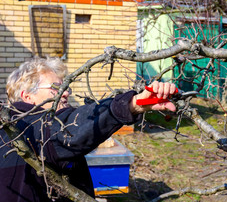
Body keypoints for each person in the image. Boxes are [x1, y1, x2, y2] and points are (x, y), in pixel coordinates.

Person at [0, 57, 177, 202]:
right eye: (56, 87)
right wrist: (133, 104)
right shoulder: (35, 126)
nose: (66, 92)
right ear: (27, 96)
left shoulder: (7, 128)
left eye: (65, 87)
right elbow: (71, 127)